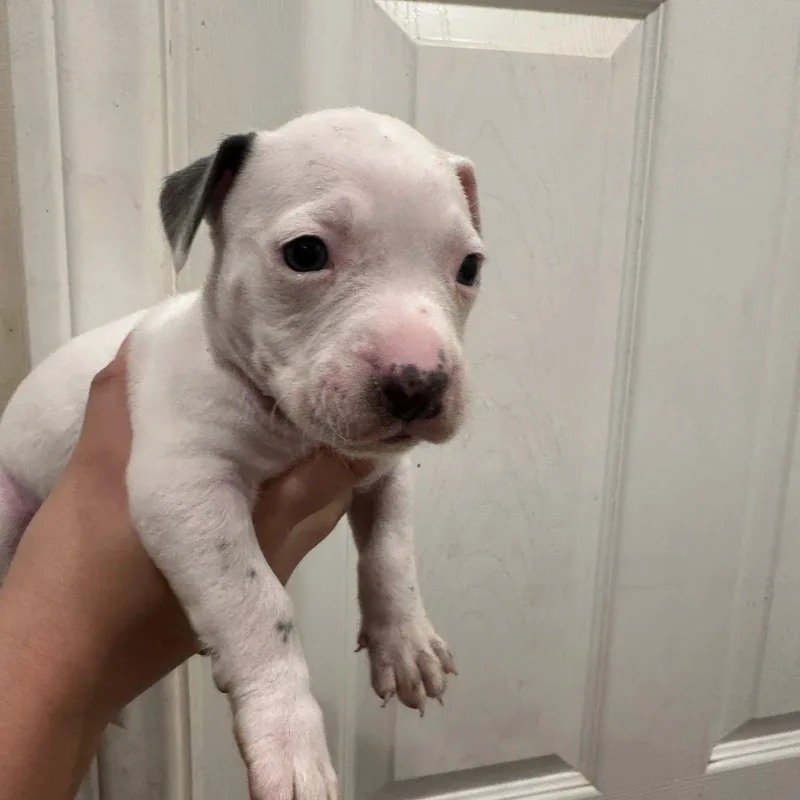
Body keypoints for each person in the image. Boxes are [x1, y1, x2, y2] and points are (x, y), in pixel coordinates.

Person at [0, 340, 372, 800]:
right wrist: (268, 678)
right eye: (306, 260)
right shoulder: (201, 365)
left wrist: (394, 607)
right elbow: (175, 493)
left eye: (467, 273)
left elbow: (383, 468)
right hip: (20, 488)